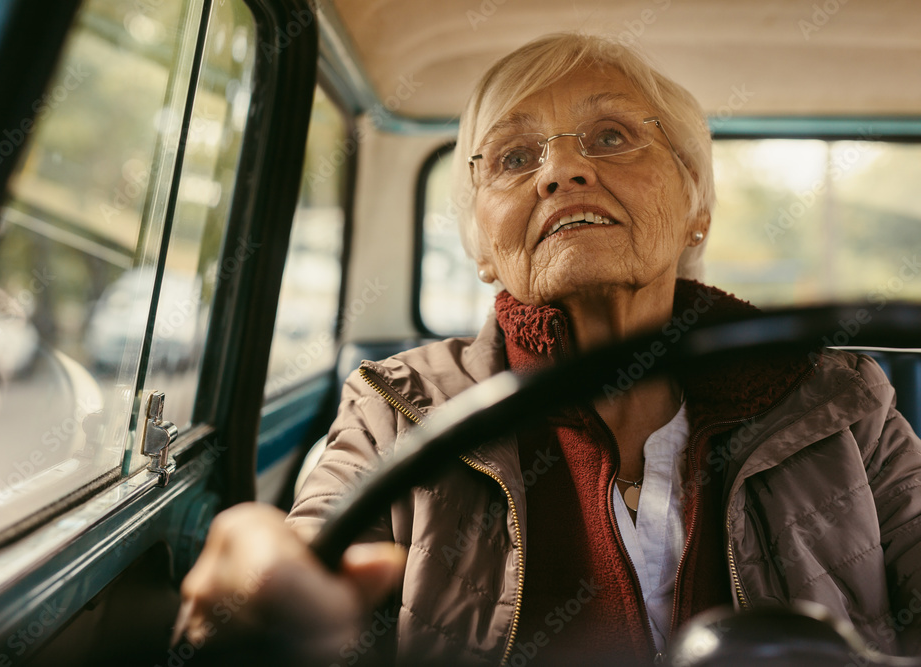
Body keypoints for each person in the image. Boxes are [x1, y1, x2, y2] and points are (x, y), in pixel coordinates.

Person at [175, 33, 921, 665]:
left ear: (695, 204)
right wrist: (269, 589)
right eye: (512, 157)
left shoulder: (842, 397)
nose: (563, 171)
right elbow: (310, 557)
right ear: (484, 248)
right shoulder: (397, 404)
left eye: (612, 137)